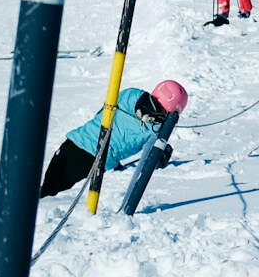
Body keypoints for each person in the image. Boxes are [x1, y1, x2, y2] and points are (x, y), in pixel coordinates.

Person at [39, 81, 188, 199]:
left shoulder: (130, 94)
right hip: (95, 161)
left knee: (45, 195)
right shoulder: (156, 129)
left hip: (74, 143)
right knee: (53, 199)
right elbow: (150, 157)